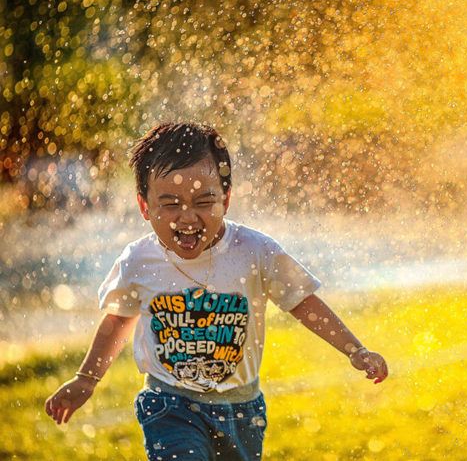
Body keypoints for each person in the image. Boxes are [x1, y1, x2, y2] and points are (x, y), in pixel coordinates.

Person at [45, 122, 388, 460]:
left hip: (241, 409)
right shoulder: (139, 260)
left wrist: (354, 349)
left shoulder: (254, 251)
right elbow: (118, 321)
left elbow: (302, 302)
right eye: (170, 203)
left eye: (203, 201)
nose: (187, 216)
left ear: (225, 199)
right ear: (145, 207)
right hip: (169, 404)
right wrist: (86, 378)